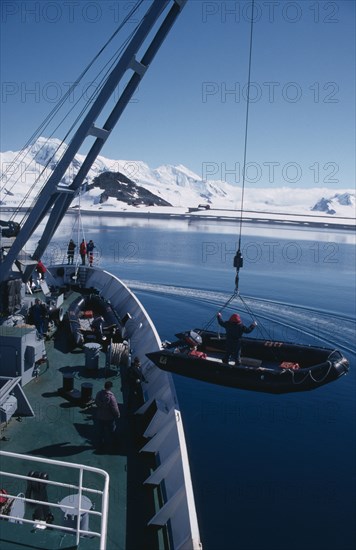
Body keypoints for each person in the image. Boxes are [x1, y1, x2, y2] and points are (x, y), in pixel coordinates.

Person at [95, 381, 120, 450]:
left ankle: (100, 444)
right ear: (110, 387)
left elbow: (96, 402)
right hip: (109, 418)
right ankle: (114, 444)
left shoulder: (99, 393)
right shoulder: (111, 397)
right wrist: (117, 415)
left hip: (100, 416)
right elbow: (115, 407)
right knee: (112, 430)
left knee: (100, 431)